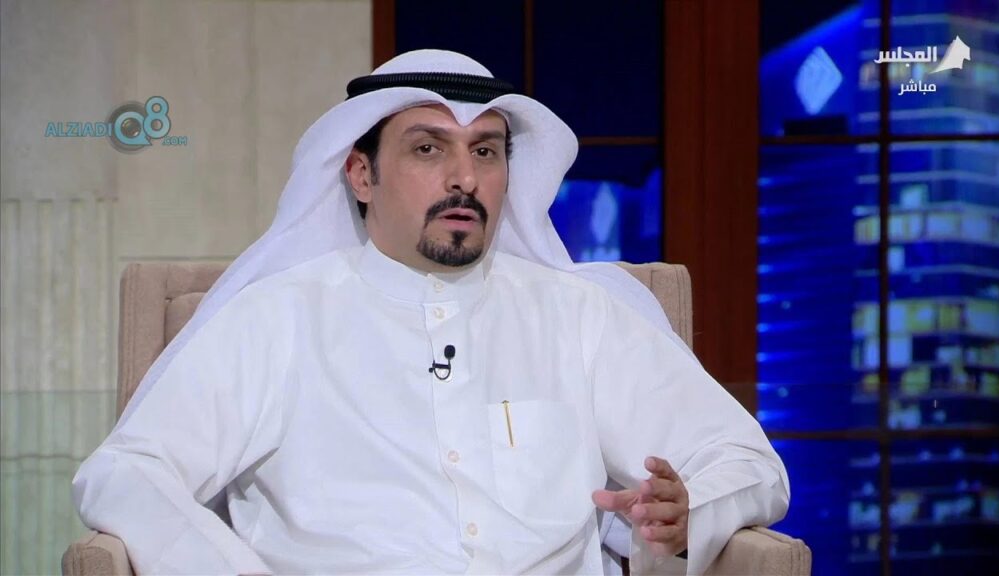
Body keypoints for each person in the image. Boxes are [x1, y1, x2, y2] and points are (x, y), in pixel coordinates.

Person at [72, 49, 789, 575]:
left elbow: (749, 462)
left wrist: (690, 511)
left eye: (486, 152)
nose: (464, 177)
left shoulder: (579, 316)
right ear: (361, 174)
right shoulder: (277, 319)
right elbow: (126, 472)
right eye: (428, 149)